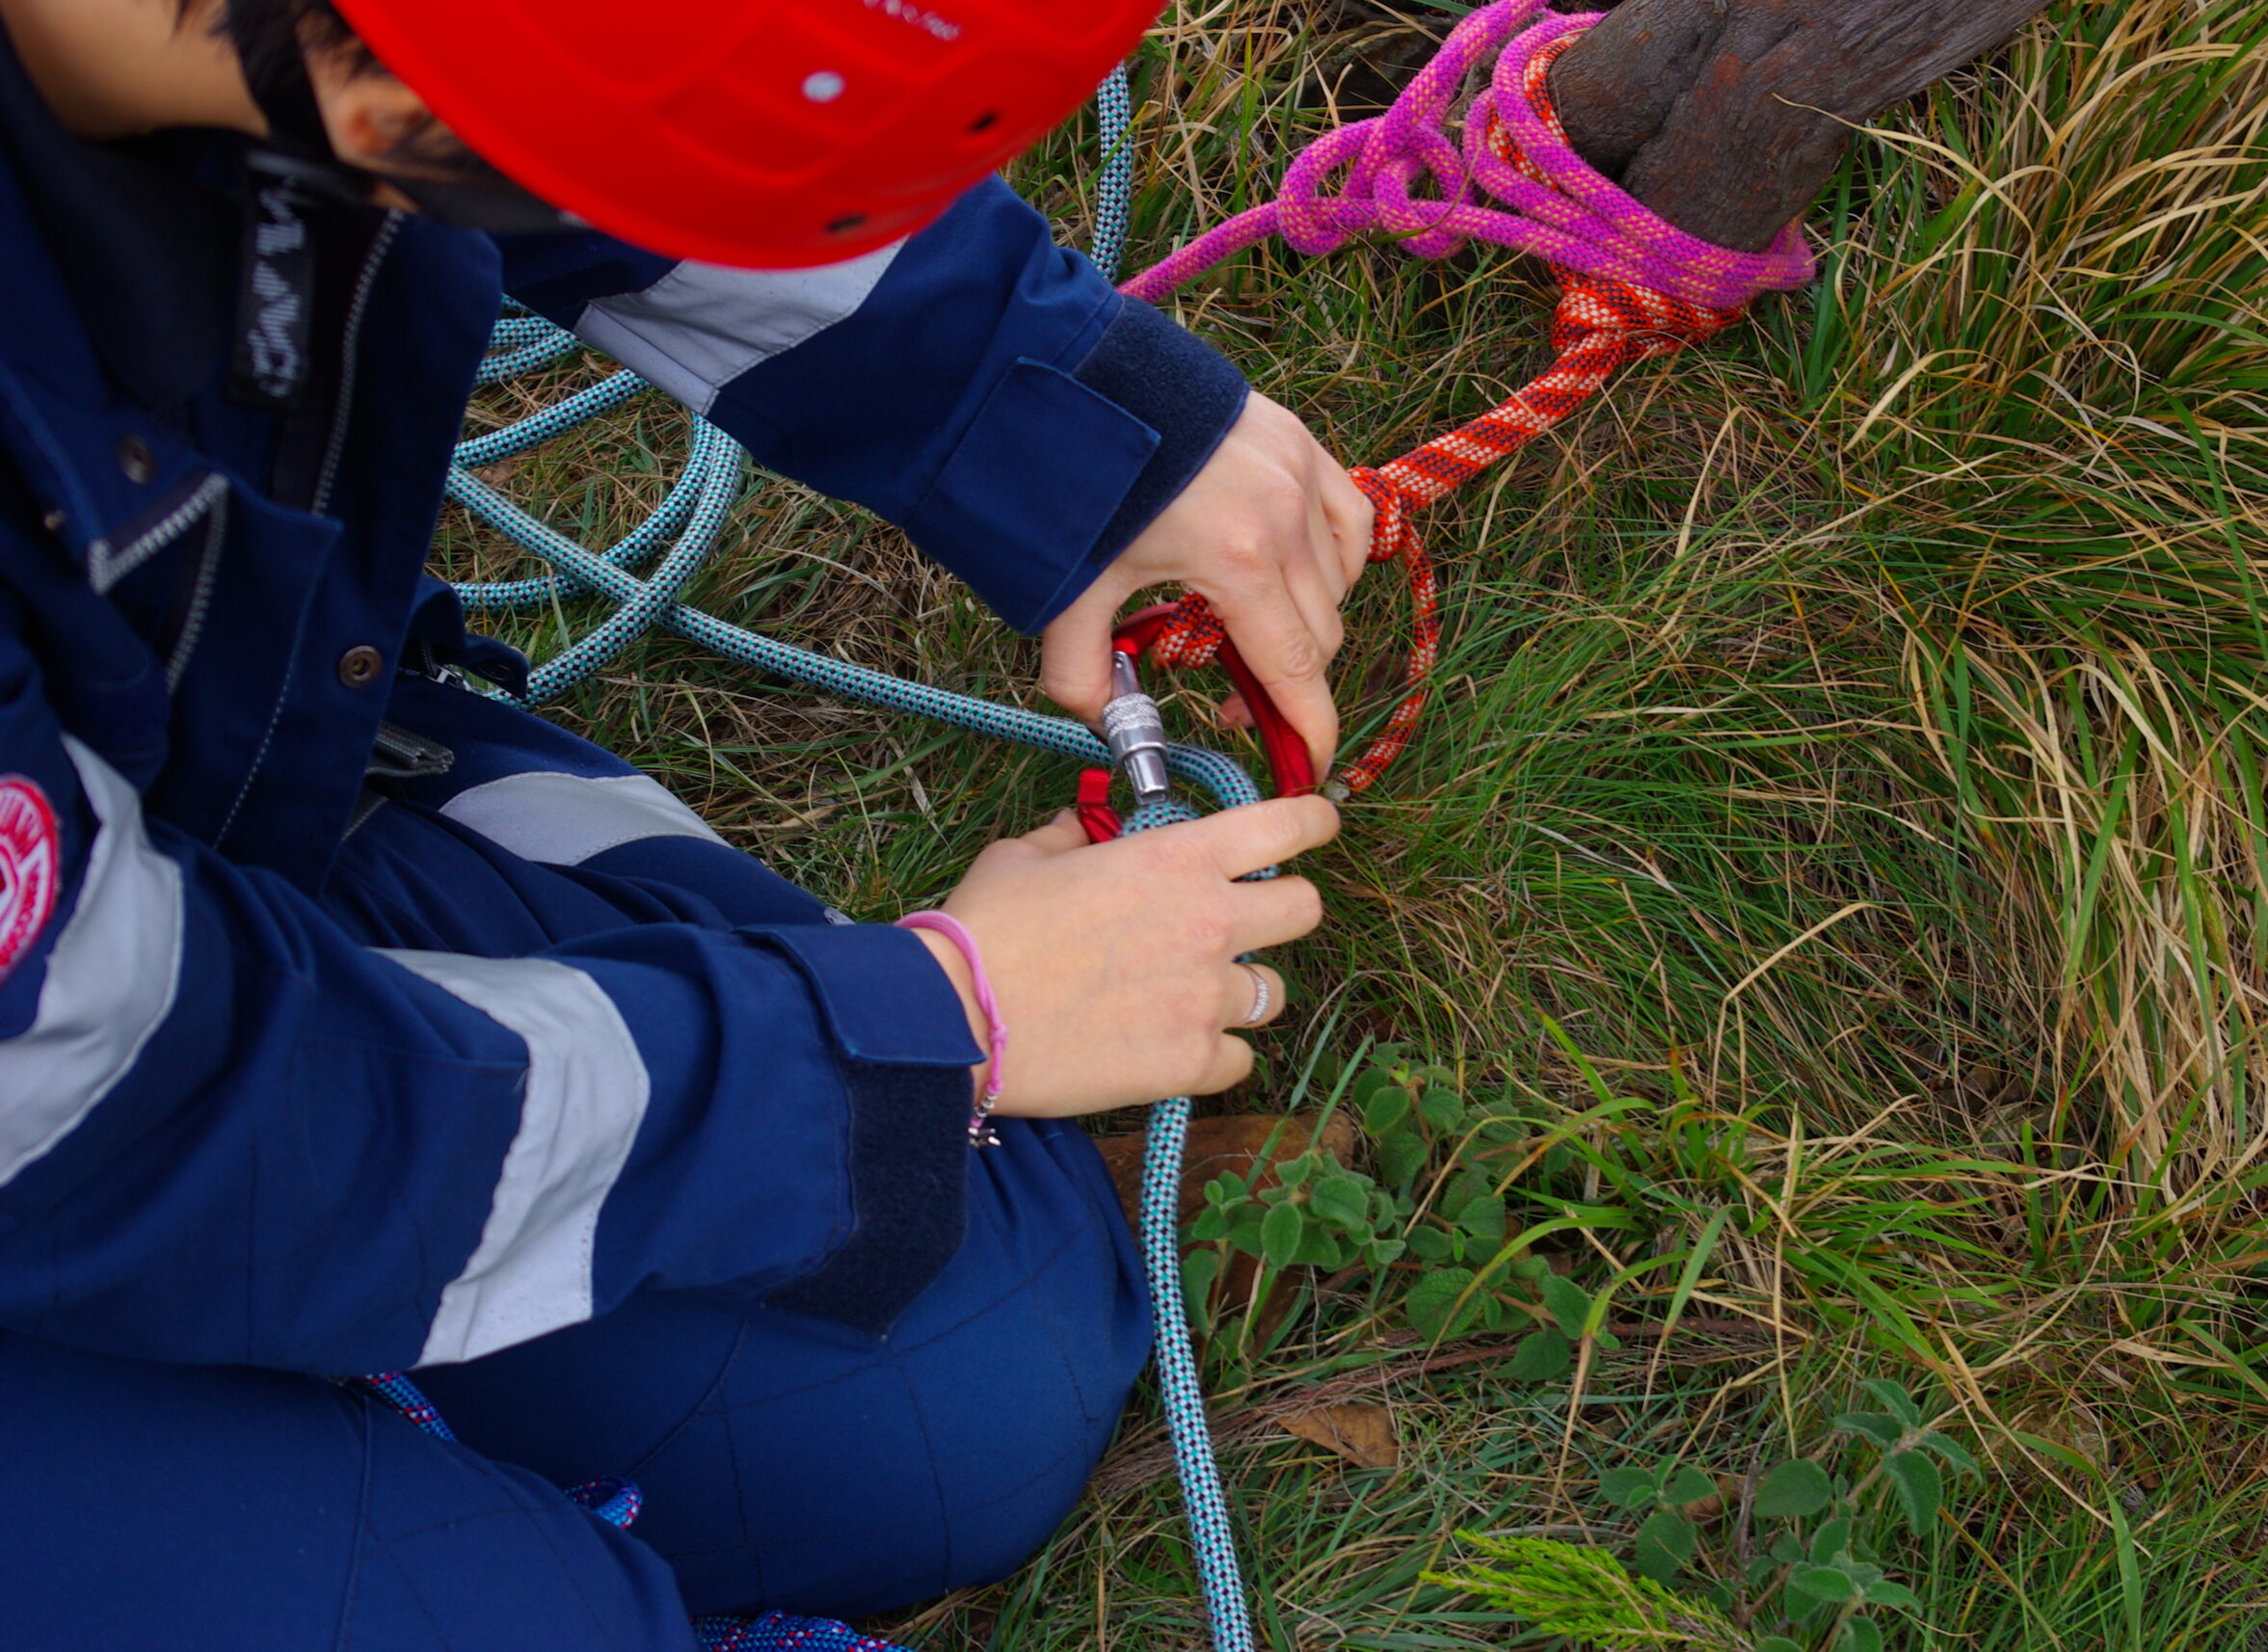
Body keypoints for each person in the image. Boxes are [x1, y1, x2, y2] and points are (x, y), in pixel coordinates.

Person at [0, 0, 1370, 1644]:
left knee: (968, 1379)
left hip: (203, 813)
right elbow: (157, 1106)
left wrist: (1075, 427)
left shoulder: (355, 66)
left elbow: (591, 119)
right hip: (96, 1068)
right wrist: (919, 1027)